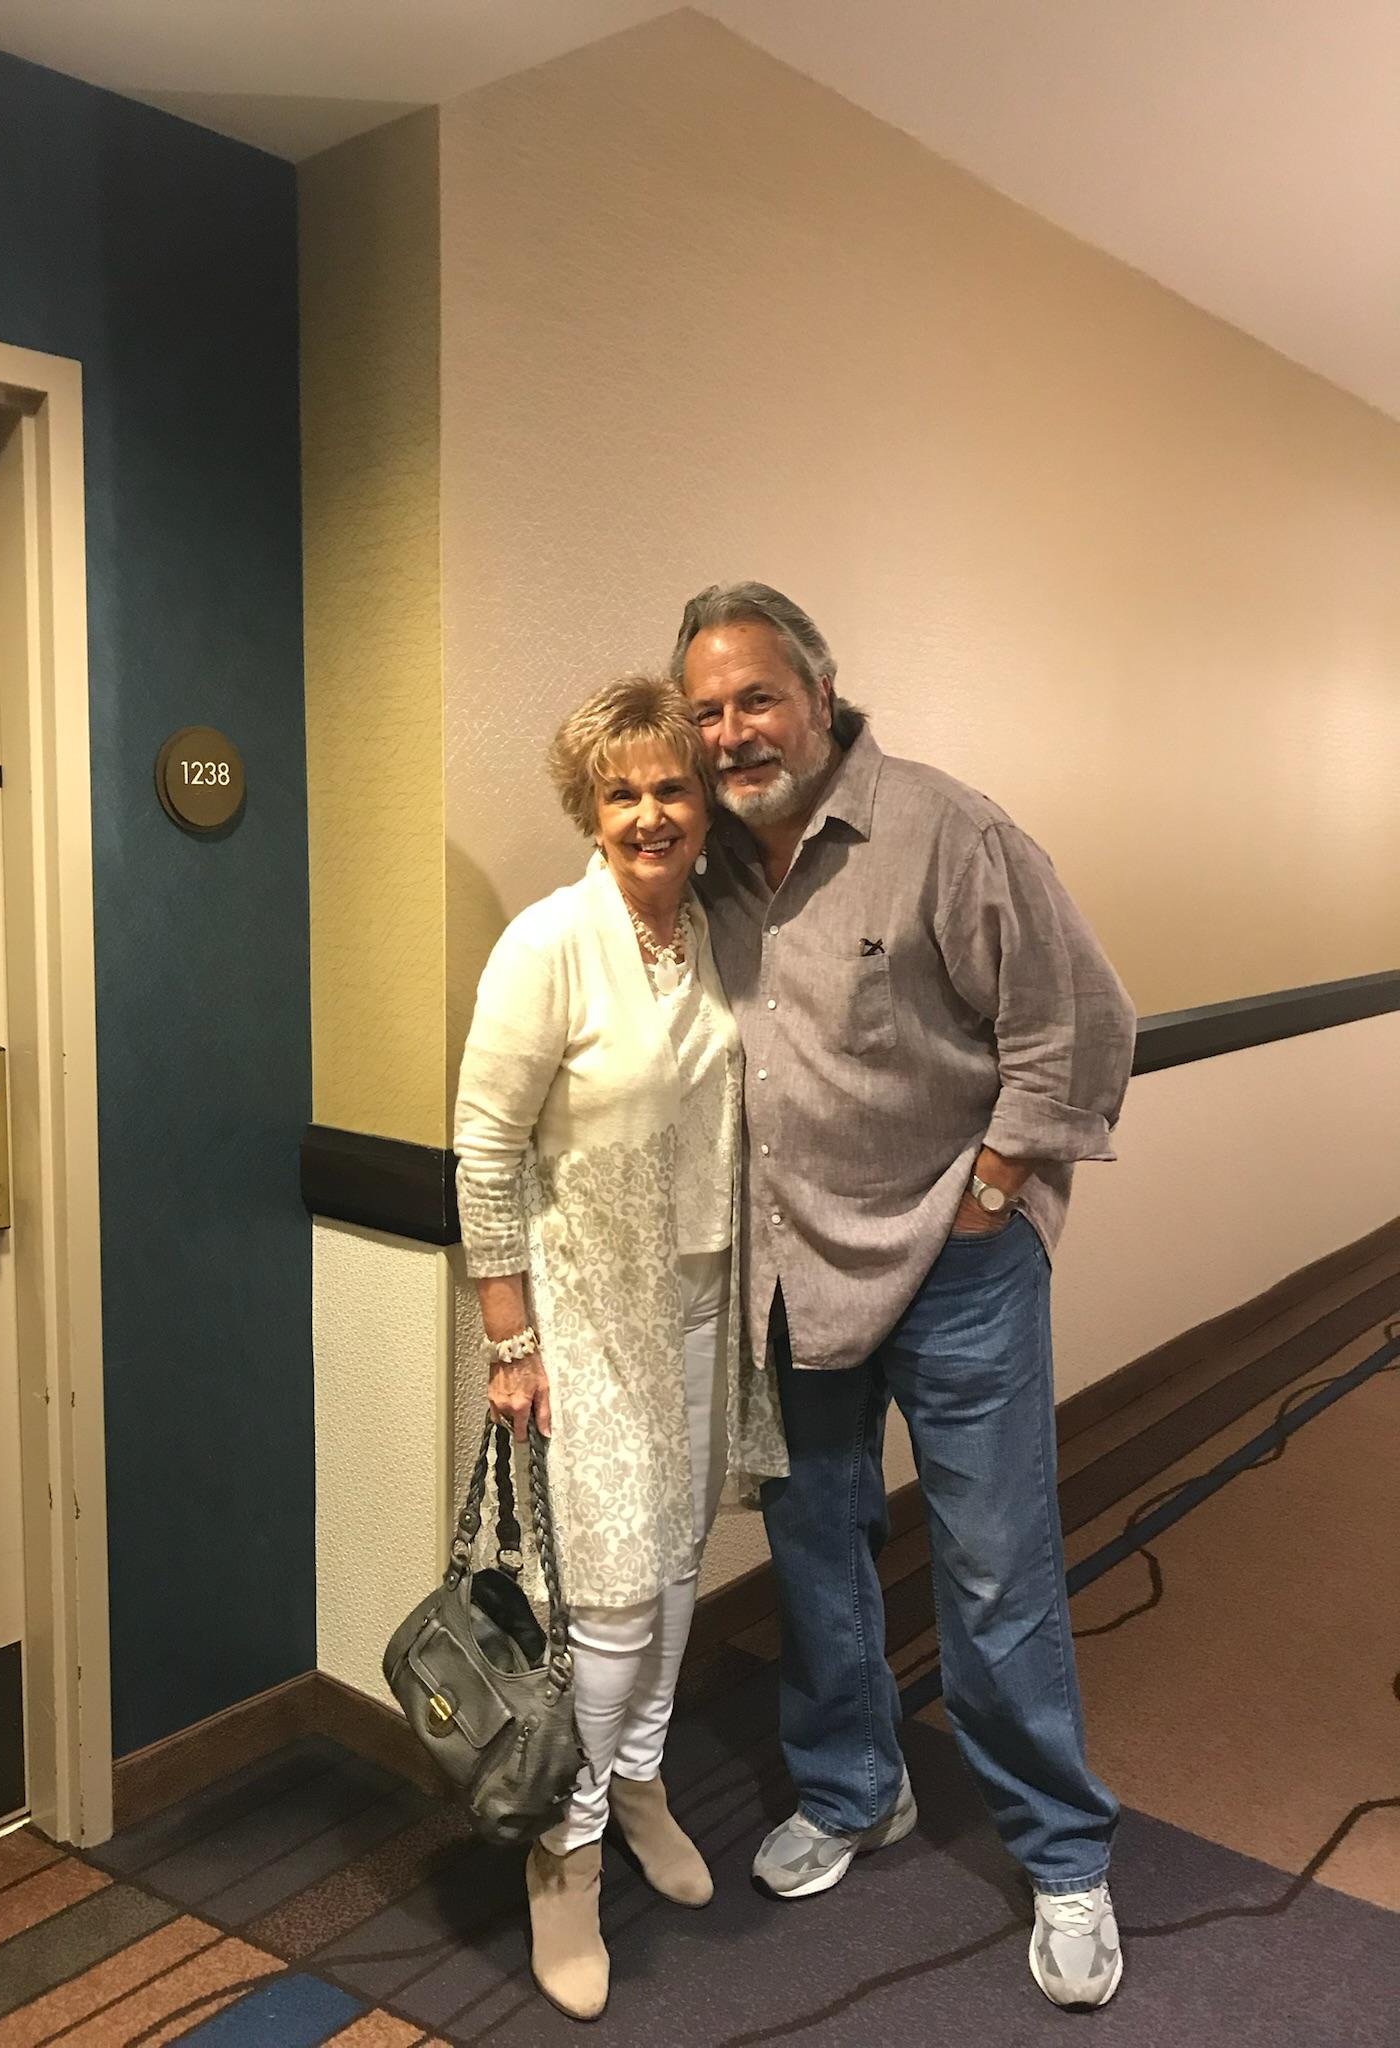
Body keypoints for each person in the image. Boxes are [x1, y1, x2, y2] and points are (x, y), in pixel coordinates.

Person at [671, 583, 1136, 2012]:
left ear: (822, 695)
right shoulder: (702, 863)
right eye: (707, 711)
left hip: (958, 1264)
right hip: (790, 1268)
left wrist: (992, 1191)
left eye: (757, 698)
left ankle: (1065, 1856)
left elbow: (1081, 1020)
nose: (732, 732)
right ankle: (853, 1788)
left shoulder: (946, 832)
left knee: (995, 1567)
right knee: (816, 1542)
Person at [453, 674, 787, 2022]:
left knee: (677, 1561)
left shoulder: (711, 932)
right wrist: (509, 1338)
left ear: (704, 804)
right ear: (589, 811)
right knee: (604, 1604)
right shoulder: (549, 945)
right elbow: (485, 1147)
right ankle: (567, 1851)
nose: (650, 814)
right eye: (621, 793)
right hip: (588, 1320)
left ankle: (641, 1778)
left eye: (671, 789)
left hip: (702, 1306)